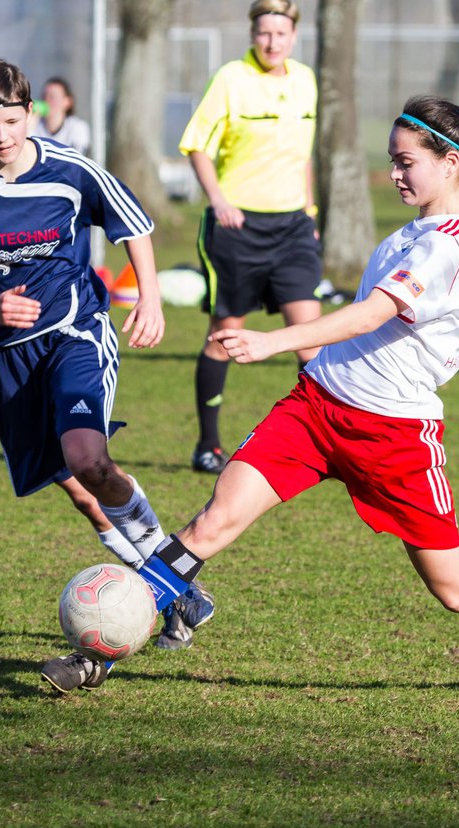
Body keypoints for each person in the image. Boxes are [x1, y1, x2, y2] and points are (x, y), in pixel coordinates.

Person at [89, 96, 459, 698]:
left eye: (406, 163)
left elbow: (371, 314)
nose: (394, 174)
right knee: (213, 521)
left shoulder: (448, 243)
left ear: (451, 162)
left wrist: (273, 340)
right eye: (392, 161)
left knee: (456, 589)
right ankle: (100, 655)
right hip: (317, 404)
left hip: (393, 433)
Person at [0, 59, 215, 691]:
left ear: (31, 112)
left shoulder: (70, 169)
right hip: (3, 354)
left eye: (13, 121)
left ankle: (169, 580)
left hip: (75, 331)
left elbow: (135, 226)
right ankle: (177, 587)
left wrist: (151, 300)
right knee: (77, 488)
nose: (2, 137)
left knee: (88, 459)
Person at [177, 0, 322, 477]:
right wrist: (218, 199)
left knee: (310, 339)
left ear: (294, 35)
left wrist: (310, 209)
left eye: (281, 32)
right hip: (238, 228)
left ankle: (323, 443)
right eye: (264, 32)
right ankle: (207, 444)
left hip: (293, 227)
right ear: (253, 34)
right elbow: (196, 143)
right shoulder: (231, 79)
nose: (272, 41)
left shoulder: (305, 79)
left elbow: (302, 154)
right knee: (226, 336)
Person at [29, 77, 91, 156]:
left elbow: (76, 162)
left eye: (52, 96)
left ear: (67, 102)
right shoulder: (34, 125)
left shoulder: (77, 127)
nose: (46, 100)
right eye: (44, 95)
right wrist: (30, 124)